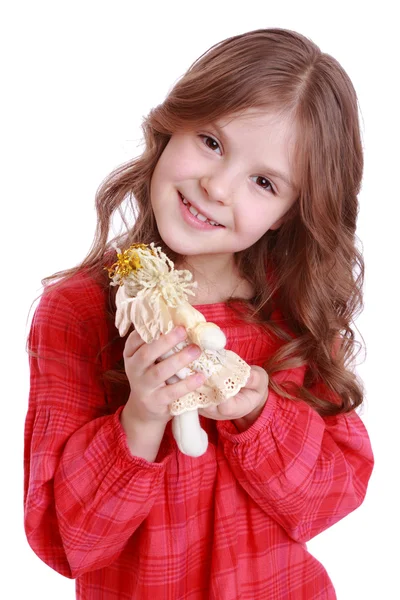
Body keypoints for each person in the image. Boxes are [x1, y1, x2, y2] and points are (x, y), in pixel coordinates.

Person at [24, 27, 374, 599]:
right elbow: (67, 543)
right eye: (211, 142)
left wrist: (260, 411)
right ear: (171, 125)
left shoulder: (293, 315)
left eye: (264, 182)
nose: (216, 187)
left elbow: (332, 496)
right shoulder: (79, 310)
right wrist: (141, 418)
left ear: (289, 212)